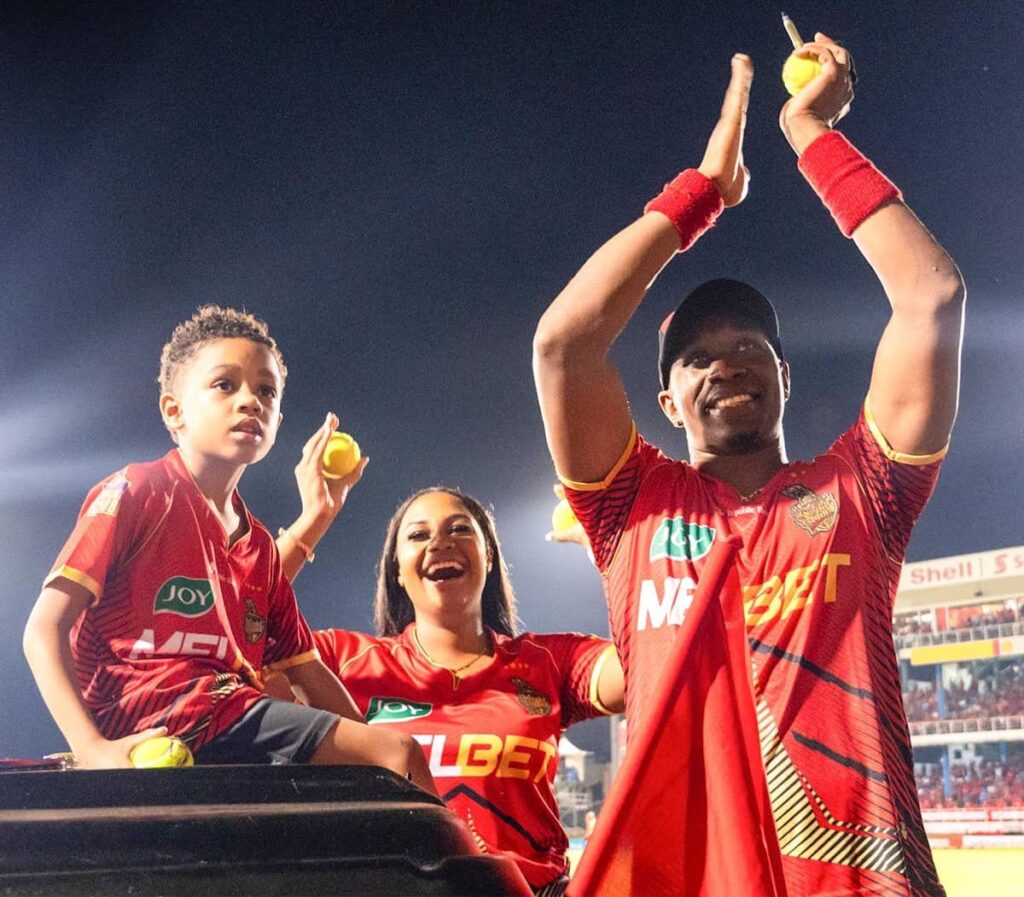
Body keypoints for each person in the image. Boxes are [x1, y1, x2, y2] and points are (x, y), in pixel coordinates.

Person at [532, 39, 963, 897]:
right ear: (665, 402)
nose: (724, 362)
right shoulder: (631, 509)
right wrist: (701, 196)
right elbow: (564, 342)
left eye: (747, 346)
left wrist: (810, 136)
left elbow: (932, 297)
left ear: (784, 376)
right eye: (695, 358)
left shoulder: (861, 489)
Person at [23, 305, 434, 794]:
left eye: (266, 391)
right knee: (400, 753)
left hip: (225, 716)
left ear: (279, 417)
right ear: (173, 409)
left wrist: (363, 743)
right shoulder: (137, 491)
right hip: (160, 714)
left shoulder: (258, 544)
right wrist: (89, 748)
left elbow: (305, 669)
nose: (250, 402)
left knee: (367, 766)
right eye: (225, 385)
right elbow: (44, 628)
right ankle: (467, 866)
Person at [274, 460, 625, 896]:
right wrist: (313, 520)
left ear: (489, 556)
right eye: (418, 535)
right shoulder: (342, 660)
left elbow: (652, 668)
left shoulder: (549, 661)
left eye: (459, 530)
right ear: (398, 571)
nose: (440, 542)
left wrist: (615, 558)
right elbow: (238, 627)